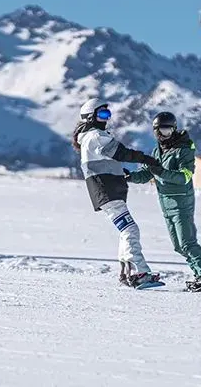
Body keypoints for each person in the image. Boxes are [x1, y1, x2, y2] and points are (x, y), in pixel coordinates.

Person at [72, 98, 163, 288]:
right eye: (102, 114)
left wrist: (122, 174)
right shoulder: (96, 136)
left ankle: (127, 273)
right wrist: (147, 159)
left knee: (125, 230)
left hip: (107, 189)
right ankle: (140, 273)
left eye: (108, 114)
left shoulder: (91, 137)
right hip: (106, 190)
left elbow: (106, 161)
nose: (106, 119)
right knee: (130, 229)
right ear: (90, 117)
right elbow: (120, 153)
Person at [126, 111, 201, 291]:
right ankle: (200, 275)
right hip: (166, 204)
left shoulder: (183, 150)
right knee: (178, 246)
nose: (164, 135)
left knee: (187, 242)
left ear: (174, 129)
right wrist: (129, 176)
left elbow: (184, 177)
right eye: (160, 131)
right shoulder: (158, 151)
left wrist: (160, 171)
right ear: (155, 132)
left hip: (181, 203)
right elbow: (147, 173)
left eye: (168, 131)